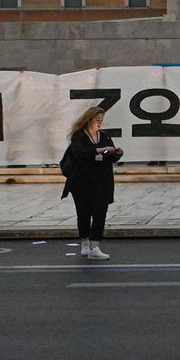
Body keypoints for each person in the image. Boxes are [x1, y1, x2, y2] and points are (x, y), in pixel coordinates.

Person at [62, 107, 122, 260]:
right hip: (81, 182)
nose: (100, 123)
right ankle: (85, 242)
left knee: (100, 213)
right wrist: (100, 151)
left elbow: (110, 157)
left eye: (101, 120)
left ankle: (95, 246)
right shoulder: (79, 136)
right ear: (89, 119)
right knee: (83, 213)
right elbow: (80, 153)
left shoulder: (105, 136)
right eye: (97, 120)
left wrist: (116, 153)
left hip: (102, 181)